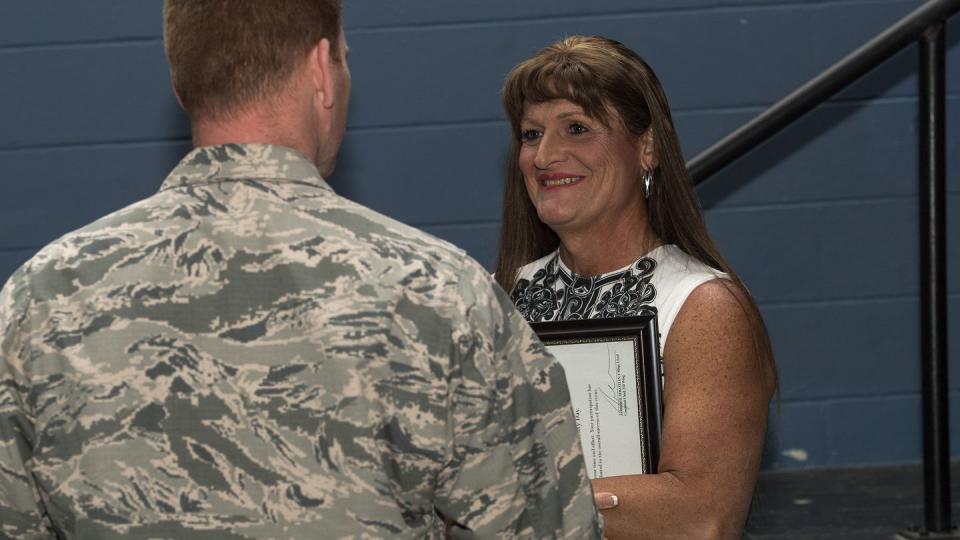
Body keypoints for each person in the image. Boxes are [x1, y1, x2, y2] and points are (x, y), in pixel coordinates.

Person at [0, 3, 602, 538]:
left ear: (183, 88)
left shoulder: (39, 300)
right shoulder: (441, 293)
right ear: (322, 71)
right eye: (343, 57)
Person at [495, 35, 778, 539]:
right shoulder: (501, 294)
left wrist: (514, 499)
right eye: (531, 134)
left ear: (645, 147)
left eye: (576, 129)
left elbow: (702, 516)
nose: (545, 155)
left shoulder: (704, 307)